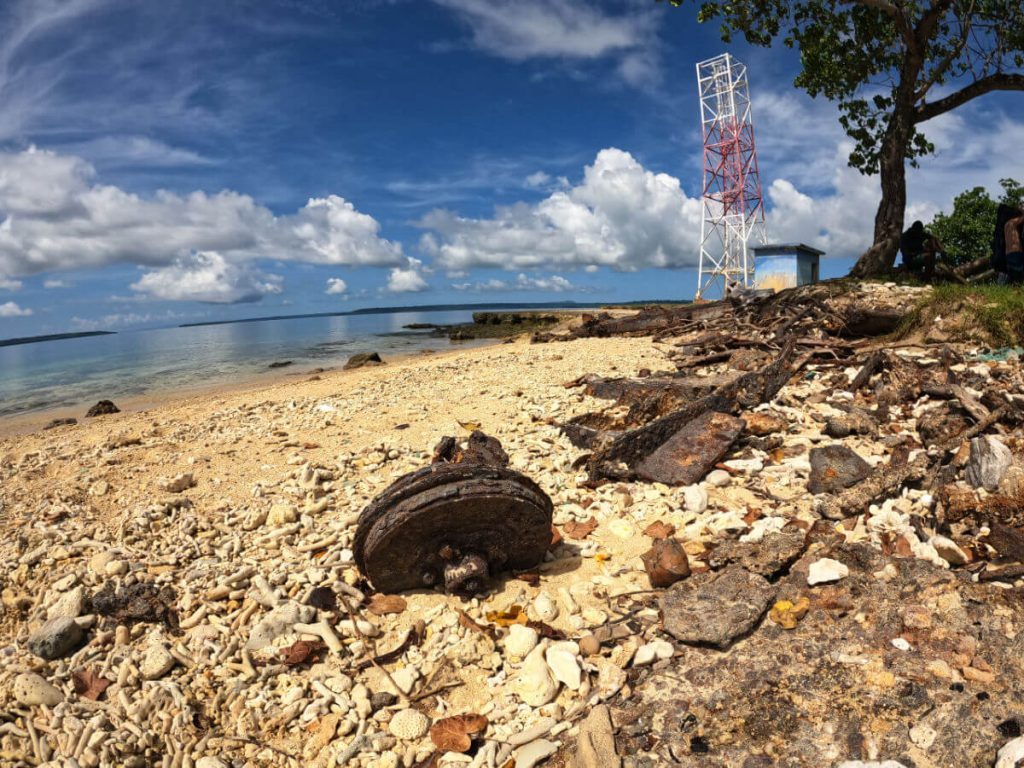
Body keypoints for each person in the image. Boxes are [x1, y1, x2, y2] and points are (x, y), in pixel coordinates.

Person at [1005, 207, 1024, 285]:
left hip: (1008, 254)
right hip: (1016, 252)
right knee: (1019, 276)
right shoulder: (1012, 222)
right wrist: (1023, 210)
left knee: (1014, 277)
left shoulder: (1006, 224)